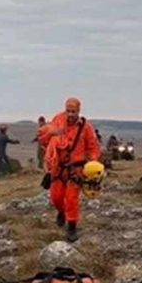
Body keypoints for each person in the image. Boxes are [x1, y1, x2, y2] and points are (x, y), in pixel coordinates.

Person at [44, 98, 101, 243]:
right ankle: (61, 212)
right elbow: (47, 139)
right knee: (56, 197)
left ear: (78, 111)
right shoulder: (57, 122)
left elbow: (93, 147)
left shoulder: (85, 128)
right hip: (58, 169)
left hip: (76, 169)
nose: (70, 114)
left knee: (71, 198)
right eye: (68, 111)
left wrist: (92, 162)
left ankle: (72, 226)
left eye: (73, 111)